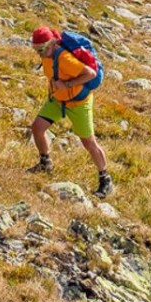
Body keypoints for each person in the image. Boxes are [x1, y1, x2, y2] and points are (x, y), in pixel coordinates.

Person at [27, 25, 112, 198]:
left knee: (89, 143)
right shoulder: (47, 55)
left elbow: (90, 74)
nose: (39, 54)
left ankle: (106, 180)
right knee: (37, 127)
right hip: (58, 100)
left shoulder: (65, 58)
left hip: (79, 103)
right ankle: (45, 163)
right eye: (36, 50)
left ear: (52, 44)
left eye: (41, 49)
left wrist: (66, 85)